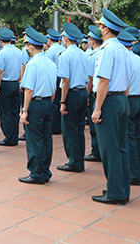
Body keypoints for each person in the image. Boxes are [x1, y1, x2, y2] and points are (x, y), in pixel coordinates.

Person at [91, 8, 132, 205]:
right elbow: (128, 80)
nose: (99, 29)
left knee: (109, 149)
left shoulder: (107, 50)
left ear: (106, 29)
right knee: (121, 147)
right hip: (122, 100)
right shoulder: (124, 50)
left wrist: (98, 108)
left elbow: (104, 81)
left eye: (100, 26)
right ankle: (123, 189)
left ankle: (115, 192)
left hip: (109, 101)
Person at [19, 24, 57, 184]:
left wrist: (25, 110)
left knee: (34, 139)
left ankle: (36, 173)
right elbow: (54, 87)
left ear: (30, 47)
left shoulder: (32, 64)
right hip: (48, 103)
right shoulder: (51, 63)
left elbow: (28, 89)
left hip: (35, 104)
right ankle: (45, 171)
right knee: (47, 139)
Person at [57, 22, 88, 173]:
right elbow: (88, 77)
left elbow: (65, 81)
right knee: (79, 128)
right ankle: (79, 160)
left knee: (70, 129)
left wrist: (62, 101)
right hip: (82, 92)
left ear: (65, 39)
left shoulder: (66, 55)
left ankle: (74, 161)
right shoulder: (84, 54)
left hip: (71, 94)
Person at [119, 31, 140, 186]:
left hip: (129, 100)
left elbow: (126, 84)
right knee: (137, 137)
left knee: (128, 139)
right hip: (139, 100)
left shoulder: (126, 60)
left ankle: (133, 174)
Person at [0, 27, 21, 146]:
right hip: (15, 83)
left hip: (5, 85)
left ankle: (9, 137)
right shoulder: (18, 51)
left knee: (5, 112)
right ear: (11, 39)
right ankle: (14, 136)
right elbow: (22, 68)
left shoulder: (2, 53)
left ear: (0, 41)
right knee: (15, 112)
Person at [84, 25, 103, 163]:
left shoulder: (92, 56)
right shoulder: (102, 53)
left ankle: (96, 151)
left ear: (92, 41)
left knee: (94, 126)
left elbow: (90, 79)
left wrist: (86, 96)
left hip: (95, 92)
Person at [46, 28, 65, 134]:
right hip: (62, 77)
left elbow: (48, 66)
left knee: (54, 102)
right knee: (60, 101)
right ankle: (60, 125)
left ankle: (55, 127)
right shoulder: (62, 48)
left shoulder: (51, 51)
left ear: (49, 40)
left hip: (55, 77)